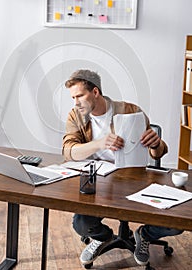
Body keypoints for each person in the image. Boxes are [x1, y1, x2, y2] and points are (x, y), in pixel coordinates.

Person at [62, 69, 183, 267]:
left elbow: (159, 152)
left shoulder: (130, 110)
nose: (76, 102)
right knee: (81, 224)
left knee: (176, 223)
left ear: (95, 92)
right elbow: (68, 151)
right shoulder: (76, 116)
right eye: (73, 98)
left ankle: (144, 234)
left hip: (133, 180)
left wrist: (156, 144)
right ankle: (102, 238)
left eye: (79, 96)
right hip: (98, 182)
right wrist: (99, 143)